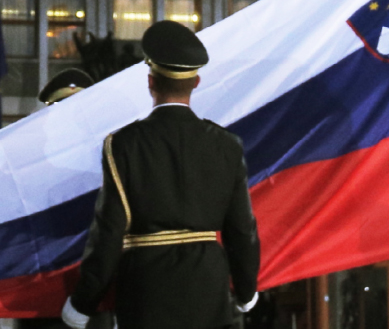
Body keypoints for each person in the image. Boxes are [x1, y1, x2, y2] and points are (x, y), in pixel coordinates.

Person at [62, 21, 260, 329]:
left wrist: (82, 302)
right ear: (196, 82)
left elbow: (108, 232)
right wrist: (247, 289)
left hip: (146, 293)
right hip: (208, 292)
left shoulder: (122, 145)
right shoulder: (227, 146)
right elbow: (242, 230)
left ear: (150, 80)